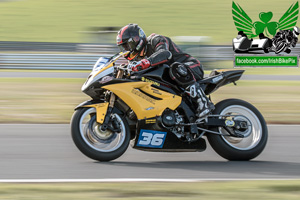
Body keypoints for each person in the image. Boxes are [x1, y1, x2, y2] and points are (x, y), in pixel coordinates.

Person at [116, 24, 214, 118]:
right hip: (172, 80)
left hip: (191, 67)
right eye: (124, 47)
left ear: (136, 39)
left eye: (127, 46)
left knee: (175, 68)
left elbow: (164, 54)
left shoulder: (156, 39)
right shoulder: (136, 59)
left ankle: (204, 103)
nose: (127, 50)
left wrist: (146, 62)